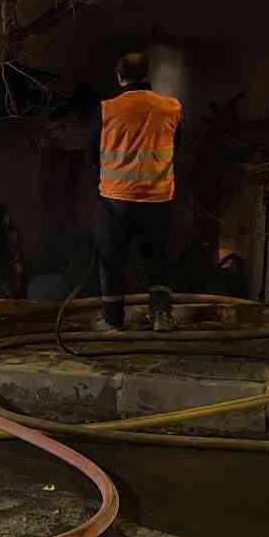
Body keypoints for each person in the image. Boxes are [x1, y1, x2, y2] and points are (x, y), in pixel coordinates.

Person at [95, 50, 181, 332]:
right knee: (156, 257)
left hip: (115, 199)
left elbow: (92, 152)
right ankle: (161, 316)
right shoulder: (170, 107)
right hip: (157, 197)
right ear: (147, 76)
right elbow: (176, 146)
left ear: (119, 76)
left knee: (112, 259)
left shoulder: (107, 108)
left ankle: (112, 320)